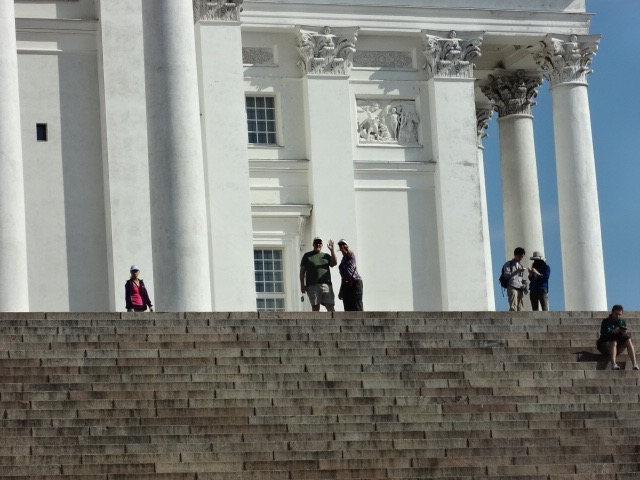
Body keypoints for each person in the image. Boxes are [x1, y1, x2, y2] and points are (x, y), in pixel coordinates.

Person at [300, 237, 337, 311]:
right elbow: (302, 271)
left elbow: (334, 263)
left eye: (320, 243)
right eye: (316, 243)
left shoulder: (326, 255)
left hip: (326, 285)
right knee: (315, 307)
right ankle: (315, 322)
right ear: (313, 244)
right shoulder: (307, 255)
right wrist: (302, 285)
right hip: (312, 285)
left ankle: (334, 322)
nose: (318, 244)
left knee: (330, 306)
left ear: (322, 245)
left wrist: (332, 250)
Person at [597, 305, 638, 370]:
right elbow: (603, 335)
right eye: (616, 314)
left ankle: (634, 364)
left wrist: (624, 334)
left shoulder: (622, 322)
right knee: (614, 341)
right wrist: (612, 331)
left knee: (628, 340)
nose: (618, 316)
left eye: (619, 315)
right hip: (605, 345)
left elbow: (624, 337)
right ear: (612, 313)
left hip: (618, 346)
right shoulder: (605, 321)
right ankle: (613, 364)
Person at [337, 239, 363, 311]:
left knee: (357, 304)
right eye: (340, 245)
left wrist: (346, 247)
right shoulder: (343, 260)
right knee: (347, 305)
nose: (341, 246)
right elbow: (343, 276)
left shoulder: (350, 255)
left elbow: (350, 252)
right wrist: (341, 289)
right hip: (346, 283)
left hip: (355, 281)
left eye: (343, 244)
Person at [501, 247, 527, 311]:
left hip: (520, 288)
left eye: (522, 257)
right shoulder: (508, 264)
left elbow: (520, 278)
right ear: (515, 255)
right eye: (520, 256)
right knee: (513, 307)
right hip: (512, 286)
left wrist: (524, 284)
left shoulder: (521, 265)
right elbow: (506, 275)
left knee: (520, 308)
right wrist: (517, 271)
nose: (521, 258)